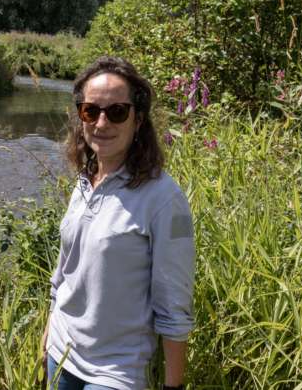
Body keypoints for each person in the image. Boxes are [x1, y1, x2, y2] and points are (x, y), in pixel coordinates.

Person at [43, 56, 196, 390]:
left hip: (116, 373)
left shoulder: (166, 200)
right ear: (80, 117)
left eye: (116, 111)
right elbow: (65, 272)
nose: (101, 123)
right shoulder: (86, 179)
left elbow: (175, 307)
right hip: (61, 353)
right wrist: (48, 338)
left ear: (138, 120)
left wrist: (174, 387)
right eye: (90, 111)